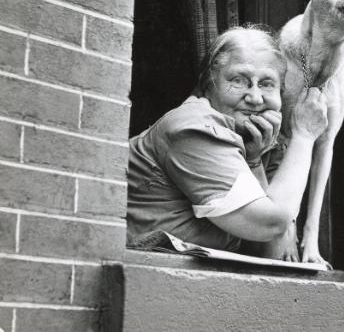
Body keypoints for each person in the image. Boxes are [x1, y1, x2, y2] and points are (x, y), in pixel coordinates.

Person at [126, 26, 328, 253]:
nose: (254, 97)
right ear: (208, 86)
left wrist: (254, 163)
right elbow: (272, 224)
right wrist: (304, 136)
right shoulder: (192, 127)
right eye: (238, 80)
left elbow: (271, 251)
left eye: (266, 83)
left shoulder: (259, 142)